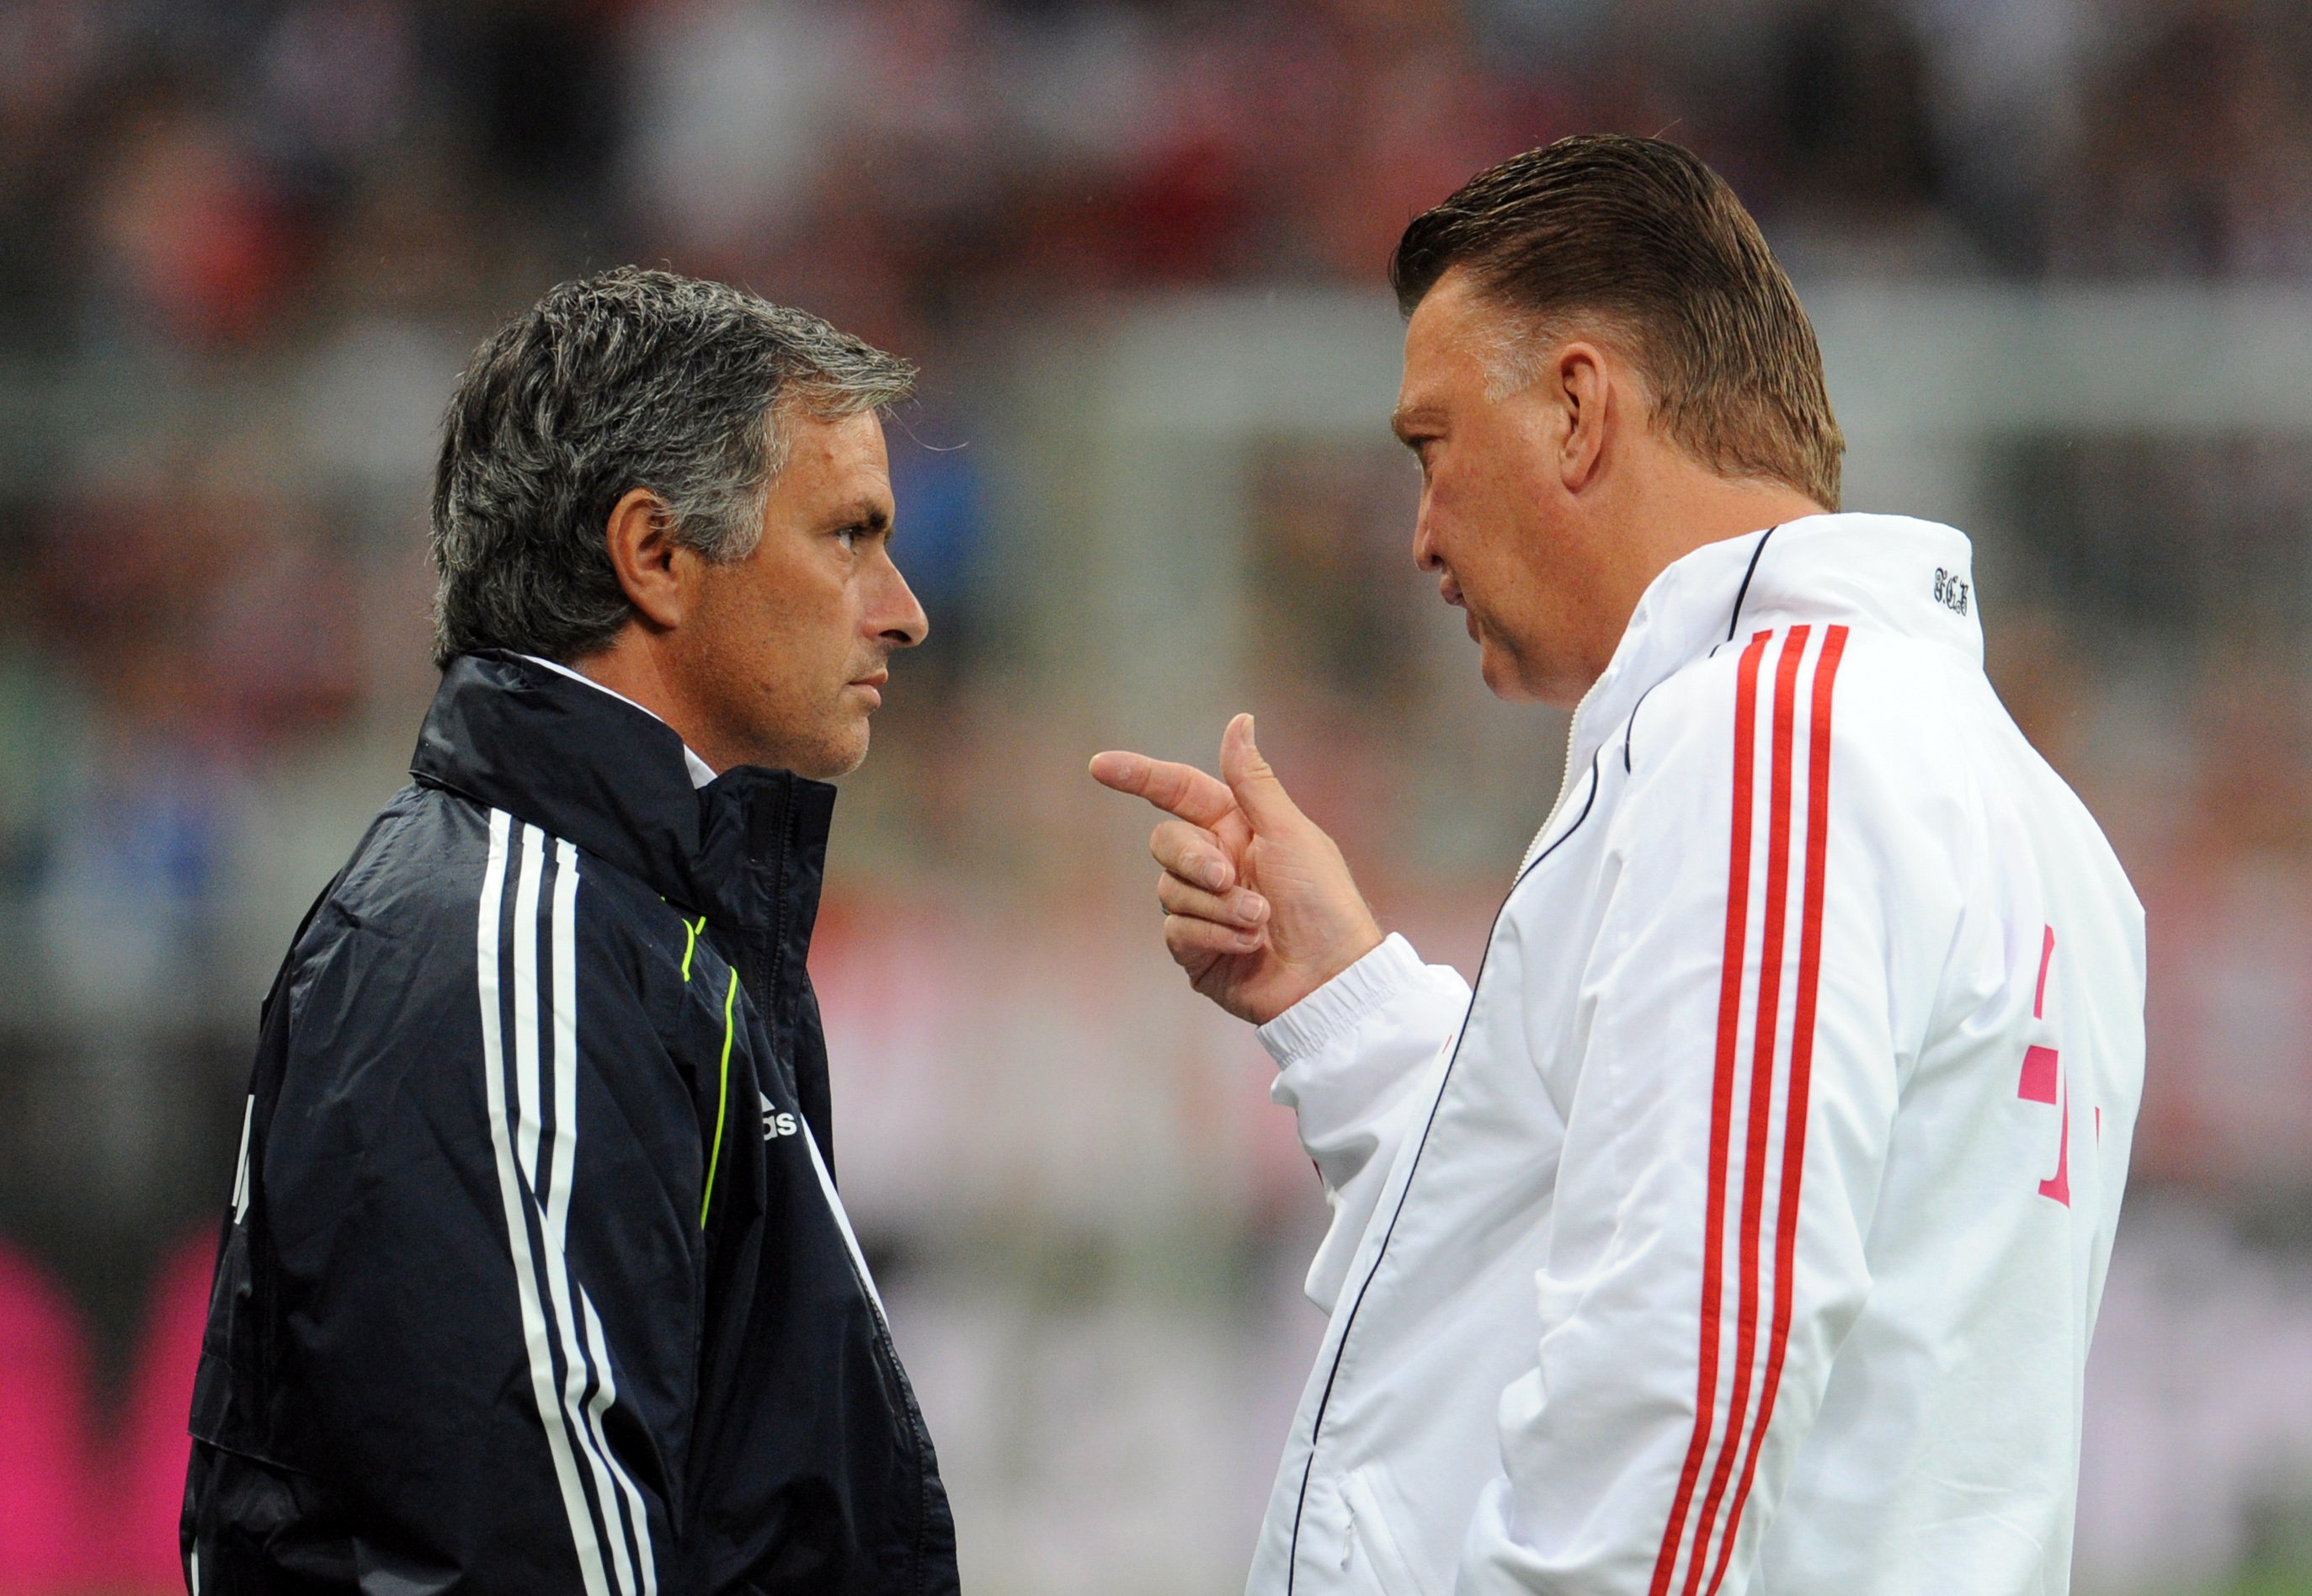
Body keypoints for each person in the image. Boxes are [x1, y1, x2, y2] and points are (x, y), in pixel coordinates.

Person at [1092, 136, 2145, 1595]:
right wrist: (1341, 1003)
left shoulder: (1771, 735)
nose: (1418, 538)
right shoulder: (2020, 808)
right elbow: (1593, 1229)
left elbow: (1688, 1375)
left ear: (1579, 409)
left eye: (1430, 446)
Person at [183, 269, 959, 1595]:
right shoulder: (504, 948)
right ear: (653, 555)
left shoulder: (627, 912)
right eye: (848, 535)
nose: (902, 608)